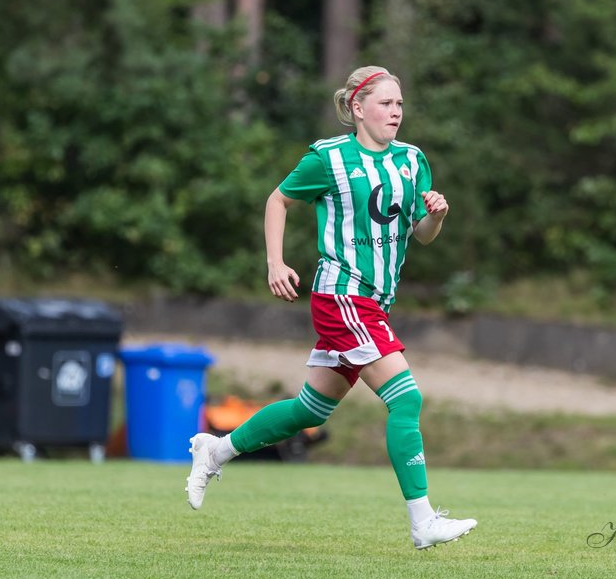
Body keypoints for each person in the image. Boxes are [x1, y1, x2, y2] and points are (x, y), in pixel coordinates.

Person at [185, 65, 477, 550]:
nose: (396, 112)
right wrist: (275, 262)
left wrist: (437, 216)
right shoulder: (329, 159)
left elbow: (421, 235)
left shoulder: (412, 160)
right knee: (406, 398)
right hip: (341, 295)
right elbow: (277, 200)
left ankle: (215, 449)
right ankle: (422, 521)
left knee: (310, 411)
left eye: (400, 104)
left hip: (374, 304)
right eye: (386, 103)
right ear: (357, 109)